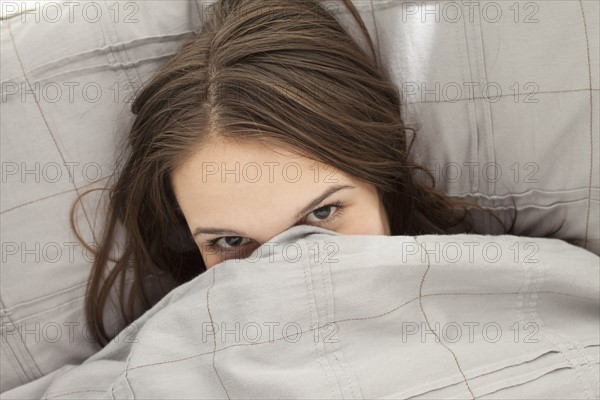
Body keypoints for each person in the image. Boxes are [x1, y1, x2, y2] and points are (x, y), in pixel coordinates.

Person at [71, 0, 508, 346]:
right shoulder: (162, 359)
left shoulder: (523, 300)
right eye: (231, 241)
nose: (292, 274)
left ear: (382, 181)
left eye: (322, 214)